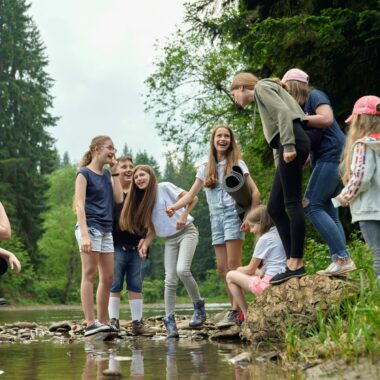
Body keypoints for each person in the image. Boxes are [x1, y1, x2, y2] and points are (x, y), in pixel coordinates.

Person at [166, 124, 260, 324]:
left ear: (230, 141)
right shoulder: (205, 169)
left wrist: (250, 217)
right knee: (222, 268)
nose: (223, 139)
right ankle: (234, 307)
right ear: (213, 140)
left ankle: (237, 311)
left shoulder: (238, 164)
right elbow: (191, 195)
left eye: (226, 136)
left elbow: (255, 193)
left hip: (233, 215)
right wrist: (175, 207)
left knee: (233, 265)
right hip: (214, 218)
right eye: (219, 136)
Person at [230, 73, 310, 284]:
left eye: (233, 95)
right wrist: (281, 168)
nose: (236, 101)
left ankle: (296, 262)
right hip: (288, 143)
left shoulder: (261, 88)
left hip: (291, 141)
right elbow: (278, 137)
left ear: (240, 88)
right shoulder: (263, 93)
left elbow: (284, 114)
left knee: (292, 204)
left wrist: (291, 146)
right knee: (274, 208)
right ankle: (290, 261)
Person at [282, 68, 356, 276]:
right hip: (328, 158)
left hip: (332, 156)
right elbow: (313, 141)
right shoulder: (304, 108)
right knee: (330, 212)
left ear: (294, 87)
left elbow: (327, 119)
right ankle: (341, 262)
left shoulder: (315, 96)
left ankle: (342, 257)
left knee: (312, 205)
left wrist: (297, 118)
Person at [119, 165, 206, 338]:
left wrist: (182, 215)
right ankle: (169, 319)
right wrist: (145, 244)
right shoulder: (143, 203)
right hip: (170, 240)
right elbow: (151, 231)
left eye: (142, 175)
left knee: (182, 270)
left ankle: (199, 307)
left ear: (150, 176)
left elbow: (193, 198)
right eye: (136, 178)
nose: (139, 179)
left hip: (187, 231)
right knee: (169, 279)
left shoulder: (164, 187)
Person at [74, 135, 123, 337]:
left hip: (106, 230)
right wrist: (85, 235)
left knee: (109, 277)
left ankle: (103, 321)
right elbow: (79, 204)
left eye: (114, 149)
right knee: (90, 274)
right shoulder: (83, 173)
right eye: (109, 148)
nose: (113, 152)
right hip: (90, 228)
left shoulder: (107, 175)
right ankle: (90, 322)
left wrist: (115, 172)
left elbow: (119, 198)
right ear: (95, 149)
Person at [332, 95, 380, 279]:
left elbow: (361, 178)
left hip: (369, 209)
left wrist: (342, 198)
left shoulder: (363, 145)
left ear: (359, 120)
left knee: (377, 256)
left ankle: (377, 301)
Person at [108, 156, 152, 335]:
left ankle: (137, 323)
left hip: (136, 247)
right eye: (123, 166)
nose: (128, 169)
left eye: (131, 167)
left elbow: (151, 221)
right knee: (115, 283)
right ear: (117, 170)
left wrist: (147, 241)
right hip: (115, 245)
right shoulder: (110, 191)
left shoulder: (140, 193)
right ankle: (113, 321)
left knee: (136, 284)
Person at [226, 205, 286, 322]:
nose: (251, 230)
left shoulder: (265, 239)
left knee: (230, 276)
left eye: (253, 226)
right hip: (282, 278)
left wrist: (239, 270)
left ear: (262, 222)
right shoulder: (280, 233)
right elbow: (265, 269)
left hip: (269, 285)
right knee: (252, 274)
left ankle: (246, 314)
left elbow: (250, 269)